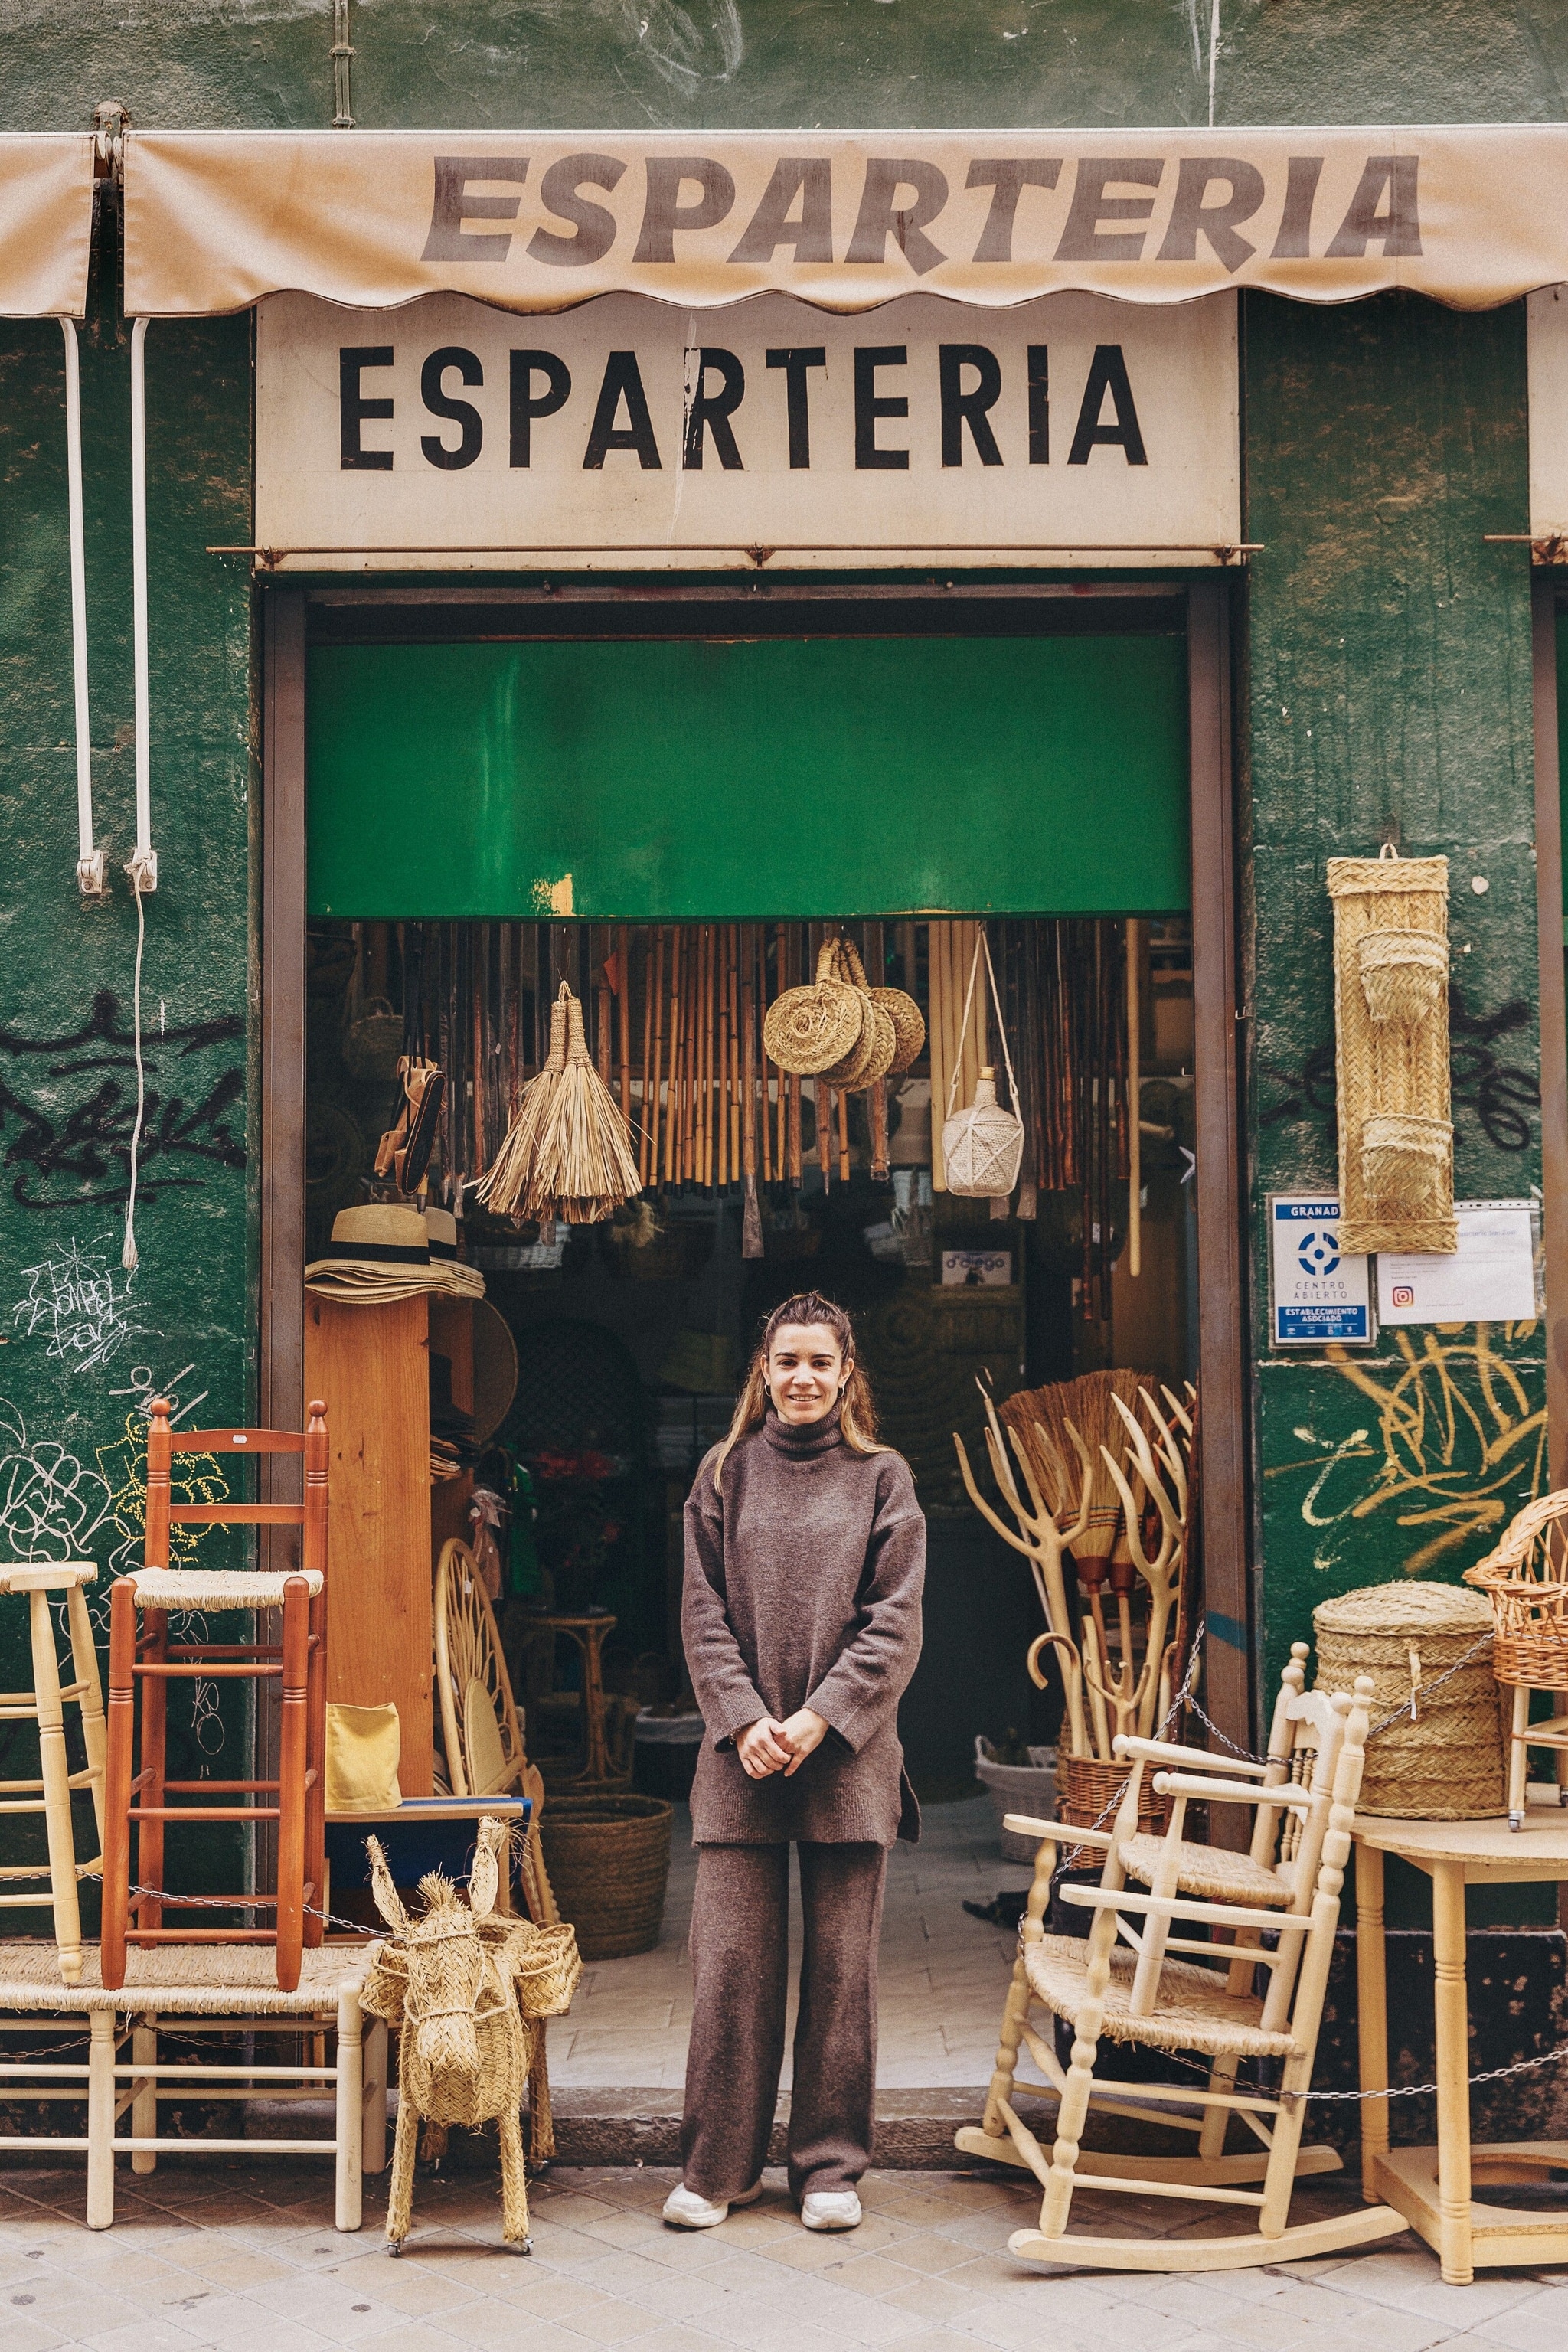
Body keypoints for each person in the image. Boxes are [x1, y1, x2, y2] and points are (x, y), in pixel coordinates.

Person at [664, 1292, 926, 2236]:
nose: (802, 1378)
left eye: (819, 1362)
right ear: (762, 1374)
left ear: (845, 1373)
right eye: (786, 1363)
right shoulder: (723, 1472)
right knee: (729, 1967)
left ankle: (827, 2168)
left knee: (839, 1974)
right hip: (741, 1762)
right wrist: (742, 1723)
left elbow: (894, 1623)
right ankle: (716, 2168)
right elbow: (701, 1615)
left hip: (844, 1760)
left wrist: (819, 1719)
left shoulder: (882, 1477)